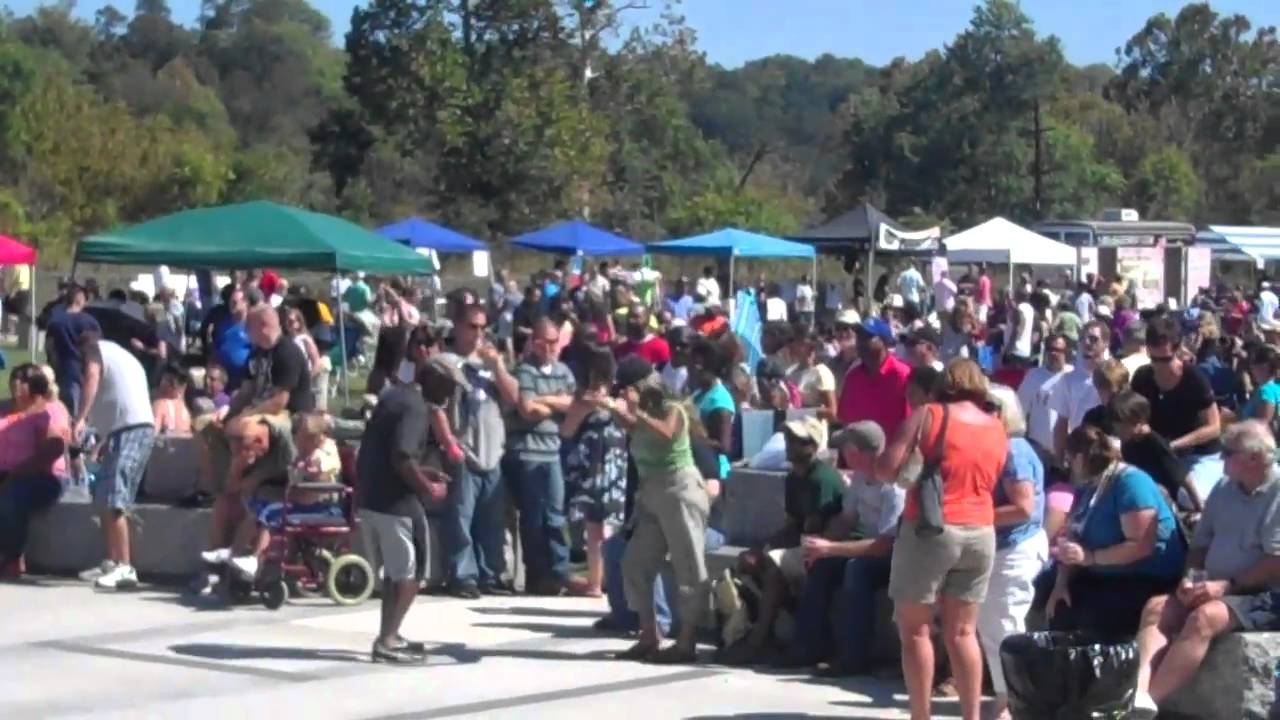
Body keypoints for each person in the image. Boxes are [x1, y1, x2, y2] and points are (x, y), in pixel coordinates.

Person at [874, 358, 1005, 720]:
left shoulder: (928, 415)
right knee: (963, 633)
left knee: (915, 629)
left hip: (932, 527)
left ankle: (921, 716)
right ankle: (971, 716)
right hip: (981, 531)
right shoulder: (996, 426)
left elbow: (886, 469)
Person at [1130, 421, 1280, 719]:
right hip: (1215, 584)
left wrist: (1226, 586)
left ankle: (1149, 704)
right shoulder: (1224, 489)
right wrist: (1191, 578)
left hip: (1262, 593)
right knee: (1157, 608)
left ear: (1254, 458)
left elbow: (1275, 560)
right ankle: (1137, 693)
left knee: (1204, 618)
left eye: (1228, 452)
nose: (1221, 458)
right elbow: (1200, 544)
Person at [719, 416, 845, 665]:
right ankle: (759, 633)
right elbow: (791, 525)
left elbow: (814, 529)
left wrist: (773, 553)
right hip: (808, 542)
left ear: (811, 446)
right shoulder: (793, 478)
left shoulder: (822, 479)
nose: (789, 444)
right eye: (788, 439)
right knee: (749, 563)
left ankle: (759, 641)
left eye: (796, 440)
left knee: (774, 568)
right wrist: (762, 548)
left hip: (832, 546)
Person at [610, 357, 711, 664]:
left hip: (679, 490)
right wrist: (611, 409)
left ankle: (687, 642)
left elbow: (666, 433)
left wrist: (635, 411)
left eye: (626, 389)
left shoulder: (672, 406)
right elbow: (635, 430)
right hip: (652, 494)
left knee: (688, 567)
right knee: (635, 563)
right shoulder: (642, 413)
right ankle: (648, 634)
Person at [1046, 425, 1186, 638]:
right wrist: (1061, 582)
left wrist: (1090, 557)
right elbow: (1074, 533)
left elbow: (1140, 545)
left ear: (1081, 458)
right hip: (1101, 571)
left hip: (1143, 575)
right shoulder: (1088, 485)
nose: (1068, 466)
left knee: (1094, 615)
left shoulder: (1130, 483)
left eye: (1070, 459)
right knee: (1051, 597)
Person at [788, 421, 904, 675]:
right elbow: (846, 519)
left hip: (899, 556)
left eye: (847, 450)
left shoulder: (894, 486)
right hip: (871, 547)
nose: (843, 455)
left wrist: (830, 548)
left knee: (856, 570)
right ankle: (808, 647)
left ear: (859, 452)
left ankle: (853, 659)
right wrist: (820, 547)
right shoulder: (861, 478)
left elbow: (885, 545)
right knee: (821, 565)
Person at [356, 361, 452, 663]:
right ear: (435, 381)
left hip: (373, 496)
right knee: (411, 573)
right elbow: (401, 457)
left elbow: (393, 453)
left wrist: (423, 471)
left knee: (396, 574)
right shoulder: (416, 409)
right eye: (450, 385)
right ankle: (387, 641)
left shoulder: (395, 396)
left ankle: (390, 634)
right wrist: (427, 487)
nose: (451, 394)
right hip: (396, 503)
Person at [977, 384, 1048, 720]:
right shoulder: (994, 448)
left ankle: (1018, 701)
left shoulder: (1015, 450)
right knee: (990, 626)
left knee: (1005, 623)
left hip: (1017, 547)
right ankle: (1007, 694)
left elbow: (1022, 508)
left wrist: (971, 514)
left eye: (989, 407)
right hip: (997, 547)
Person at [441, 304, 519, 598]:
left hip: (492, 451)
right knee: (461, 517)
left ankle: (491, 573)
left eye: (482, 327)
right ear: (458, 327)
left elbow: (513, 400)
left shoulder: (490, 364)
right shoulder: (449, 361)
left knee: (493, 519)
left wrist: (497, 367)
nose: (478, 333)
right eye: (472, 326)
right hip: (464, 450)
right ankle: (463, 575)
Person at [73, 332, 157, 590]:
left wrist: (81, 418)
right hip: (122, 431)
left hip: (133, 430)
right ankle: (111, 561)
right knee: (104, 497)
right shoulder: (122, 356)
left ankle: (125, 567)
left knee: (115, 499)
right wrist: (100, 442)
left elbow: (92, 380)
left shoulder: (96, 351)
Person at [506, 317, 577, 596]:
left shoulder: (563, 371)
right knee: (534, 517)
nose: (551, 347)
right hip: (528, 452)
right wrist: (555, 401)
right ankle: (537, 575)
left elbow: (574, 403)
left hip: (553, 451)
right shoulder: (524, 371)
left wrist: (544, 400)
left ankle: (559, 573)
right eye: (545, 342)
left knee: (556, 516)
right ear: (534, 343)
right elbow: (527, 410)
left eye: (554, 341)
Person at [1130, 317, 1223, 503]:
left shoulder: (1193, 378)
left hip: (1199, 456)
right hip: (1159, 455)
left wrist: (1174, 445)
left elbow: (1214, 427)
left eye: (1165, 359)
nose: (1159, 365)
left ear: (1177, 348)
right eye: (1154, 359)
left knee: (1186, 497)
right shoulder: (1142, 377)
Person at [561, 347, 627, 598]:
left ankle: (612, 581)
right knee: (593, 528)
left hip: (615, 467)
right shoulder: (581, 401)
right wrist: (586, 407)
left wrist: (609, 404)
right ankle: (595, 583)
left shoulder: (620, 398)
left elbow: (628, 419)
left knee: (611, 527)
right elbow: (566, 431)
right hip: (590, 468)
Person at [0, 365, 71, 576]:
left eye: (24, 379)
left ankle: (11, 557)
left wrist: (16, 474)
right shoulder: (4, 408)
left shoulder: (49, 411)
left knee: (10, 497)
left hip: (42, 476)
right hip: (6, 471)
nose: (16, 382)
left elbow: (54, 447)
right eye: (15, 377)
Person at [1111, 391, 1204, 513]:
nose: (1117, 430)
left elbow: (1183, 477)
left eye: (1122, 426)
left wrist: (1199, 506)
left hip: (1165, 500)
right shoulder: (1128, 442)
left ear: (1138, 422)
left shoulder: (1154, 443)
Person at [837, 318, 912, 439]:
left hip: (895, 450)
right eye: (859, 337)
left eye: (868, 337)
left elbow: (913, 420)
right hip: (862, 453)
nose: (861, 342)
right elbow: (845, 419)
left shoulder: (902, 375)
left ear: (883, 341)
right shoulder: (853, 377)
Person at [1050, 319, 1109, 460]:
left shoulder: (1114, 376)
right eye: (1083, 338)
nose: (1087, 343)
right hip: (1080, 454)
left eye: (1094, 339)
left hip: (1108, 451)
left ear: (1105, 344)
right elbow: (1061, 424)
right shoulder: (1068, 379)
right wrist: (1059, 460)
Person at [688, 340, 736, 478]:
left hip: (715, 473)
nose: (688, 370)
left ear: (699, 366)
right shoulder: (699, 394)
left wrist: (689, 439)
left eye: (690, 365)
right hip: (699, 469)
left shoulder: (719, 401)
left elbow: (723, 446)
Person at [1017, 333, 1072, 454]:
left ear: (1066, 353)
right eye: (1050, 349)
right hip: (1038, 448)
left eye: (1058, 350)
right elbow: (1020, 411)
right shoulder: (1033, 376)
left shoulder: (1073, 376)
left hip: (1067, 449)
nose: (1053, 353)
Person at [786, 329, 837, 422]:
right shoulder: (789, 373)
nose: (791, 346)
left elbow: (831, 412)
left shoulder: (821, 372)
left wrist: (800, 413)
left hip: (813, 431)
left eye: (798, 342)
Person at [284, 306, 327, 412]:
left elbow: (316, 362)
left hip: (304, 380)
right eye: (287, 321)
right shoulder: (286, 340)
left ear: (299, 323)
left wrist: (308, 377)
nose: (289, 324)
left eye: (292, 321)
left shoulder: (305, 339)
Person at [1238, 344, 1280, 425]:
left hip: (1259, 437)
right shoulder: (1276, 387)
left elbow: (1262, 425)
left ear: (1264, 367)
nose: (1251, 368)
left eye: (1253, 364)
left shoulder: (1266, 391)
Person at [825, 309, 861, 395]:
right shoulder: (831, 364)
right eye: (838, 328)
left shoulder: (867, 363)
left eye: (846, 328)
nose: (842, 334)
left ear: (857, 331)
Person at [152, 366, 193, 435]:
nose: (162, 383)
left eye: (167, 381)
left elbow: (153, 435)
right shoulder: (186, 410)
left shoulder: (160, 405)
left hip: (168, 443)